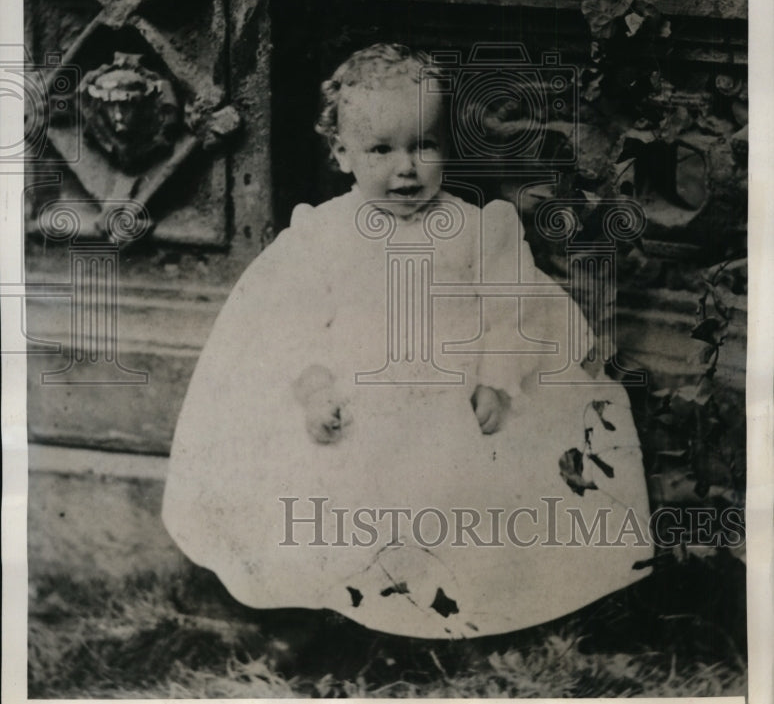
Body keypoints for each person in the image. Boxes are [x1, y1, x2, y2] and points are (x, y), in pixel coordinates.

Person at [162, 43, 652, 641]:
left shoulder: (477, 229)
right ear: (342, 153)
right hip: (361, 402)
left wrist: (497, 380)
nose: (407, 168)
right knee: (343, 494)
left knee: (468, 495)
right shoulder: (322, 235)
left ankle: (472, 604)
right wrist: (316, 391)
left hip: (455, 404)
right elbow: (291, 328)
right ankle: (344, 612)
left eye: (424, 145)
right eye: (381, 150)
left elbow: (513, 310)